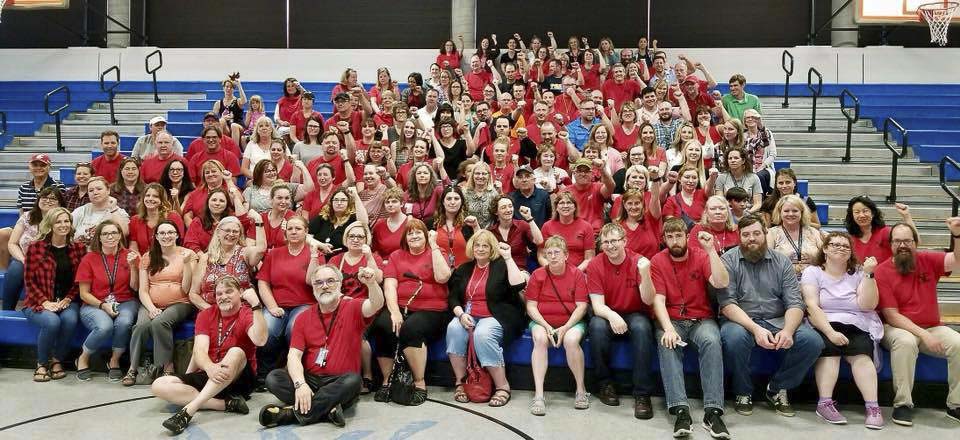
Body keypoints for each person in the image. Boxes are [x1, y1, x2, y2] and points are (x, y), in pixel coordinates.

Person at [718, 214, 825, 417]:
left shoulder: (781, 261)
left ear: (765, 233)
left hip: (777, 319)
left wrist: (788, 330)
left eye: (756, 233)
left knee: (812, 341)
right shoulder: (728, 260)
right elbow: (727, 304)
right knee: (734, 338)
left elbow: (795, 302)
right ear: (739, 236)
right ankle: (742, 391)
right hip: (741, 320)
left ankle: (778, 388)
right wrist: (756, 329)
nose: (751, 238)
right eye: (746, 235)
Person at [260, 263, 383, 428]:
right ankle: (327, 408)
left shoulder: (353, 307)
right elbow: (294, 355)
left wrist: (371, 283)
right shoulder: (303, 318)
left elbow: (376, 304)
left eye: (330, 281)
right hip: (310, 379)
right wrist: (300, 384)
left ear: (339, 284)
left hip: (340, 380)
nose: (324, 286)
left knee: (353, 381)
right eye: (318, 282)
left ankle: (289, 414)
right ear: (313, 288)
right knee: (274, 378)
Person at [152, 276, 267, 435]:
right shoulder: (206, 315)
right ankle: (225, 404)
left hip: (239, 378)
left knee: (236, 351)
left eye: (229, 291)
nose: (223, 297)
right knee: (158, 385)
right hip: (211, 373)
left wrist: (256, 305)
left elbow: (260, 340)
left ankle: (188, 411)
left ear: (240, 292)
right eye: (219, 294)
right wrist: (209, 367)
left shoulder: (247, 313)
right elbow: (199, 351)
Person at [649, 217, 731, 438]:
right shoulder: (657, 261)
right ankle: (680, 410)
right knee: (667, 343)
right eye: (670, 237)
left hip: (701, 319)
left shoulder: (701, 255)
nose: (675, 241)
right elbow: (658, 300)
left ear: (687, 237)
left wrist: (711, 251)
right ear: (664, 239)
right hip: (672, 320)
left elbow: (721, 282)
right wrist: (668, 329)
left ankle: (713, 412)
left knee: (712, 341)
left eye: (679, 236)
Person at [877, 219, 960, 426]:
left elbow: (956, 261)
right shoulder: (882, 271)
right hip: (895, 328)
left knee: (959, 344)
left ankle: (955, 405)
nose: (902, 245)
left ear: (915, 242)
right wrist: (923, 335)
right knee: (905, 342)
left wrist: (957, 236)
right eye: (897, 241)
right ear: (891, 244)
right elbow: (892, 315)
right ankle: (902, 404)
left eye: (907, 241)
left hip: (931, 326)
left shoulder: (927, 259)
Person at [801, 232, 884, 429]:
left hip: (856, 322)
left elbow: (868, 305)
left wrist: (869, 274)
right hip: (824, 322)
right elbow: (812, 306)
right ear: (825, 249)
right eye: (835, 244)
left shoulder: (859, 272)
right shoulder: (813, 272)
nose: (841, 248)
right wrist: (831, 333)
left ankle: (873, 407)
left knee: (861, 355)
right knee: (831, 352)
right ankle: (824, 403)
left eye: (846, 246)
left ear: (851, 252)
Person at [369, 219, 452, 405]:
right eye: (410, 233)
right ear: (405, 238)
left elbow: (443, 277)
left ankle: (419, 382)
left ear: (426, 235)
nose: (414, 236)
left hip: (433, 309)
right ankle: (387, 380)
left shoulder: (437, 252)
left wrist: (434, 246)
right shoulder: (396, 256)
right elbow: (390, 286)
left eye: (418, 233)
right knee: (382, 325)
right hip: (401, 305)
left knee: (412, 327)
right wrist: (394, 311)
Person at [446, 231, 527, 407]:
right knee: (453, 328)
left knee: (482, 334)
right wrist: (461, 314)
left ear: (492, 249)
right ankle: (461, 382)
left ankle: (502, 386)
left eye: (485, 246)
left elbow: (519, 285)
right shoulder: (464, 269)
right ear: (472, 247)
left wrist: (508, 258)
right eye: (477, 245)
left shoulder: (501, 265)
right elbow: (453, 298)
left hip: (497, 315)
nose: (481, 249)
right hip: (468, 315)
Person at [586, 223, 657, 418]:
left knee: (642, 328)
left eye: (614, 241)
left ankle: (642, 394)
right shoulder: (595, 265)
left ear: (624, 241)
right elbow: (597, 306)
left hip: (635, 311)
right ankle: (605, 384)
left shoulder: (639, 262)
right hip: (608, 311)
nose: (610, 246)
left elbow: (649, 300)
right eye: (605, 242)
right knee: (597, 326)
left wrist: (645, 274)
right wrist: (612, 315)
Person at [125, 221, 198, 386]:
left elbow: (187, 289)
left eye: (170, 232)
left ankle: (167, 366)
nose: (167, 236)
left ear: (177, 235)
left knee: (160, 322)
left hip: (180, 302)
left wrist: (187, 264)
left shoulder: (188, 254)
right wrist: (151, 308)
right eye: (162, 233)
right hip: (151, 303)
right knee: (140, 326)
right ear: (156, 237)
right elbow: (143, 290)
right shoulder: (148, 257)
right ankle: (132, 368)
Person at [526, 235, 589, 415]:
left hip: (571, 322)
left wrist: (566, 327)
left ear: (566, 255)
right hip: (542, 321)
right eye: (549, 253)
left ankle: (581, 390)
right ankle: (539, 395)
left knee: (571, 340)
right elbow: (531, 307)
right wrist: (546, 326)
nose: (552, 256)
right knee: (539, 339)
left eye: (557, 252)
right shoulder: (537, 275)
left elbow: (582, 307)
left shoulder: (577, 274)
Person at [22, 208, 86, 382]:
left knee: (70, 319)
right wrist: (44, 302)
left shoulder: (79, 248)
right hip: (37, 300)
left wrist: (68, 298)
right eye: (58, 222)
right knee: (52, 322)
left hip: (68, 300)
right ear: (49, 225)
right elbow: (29, 281)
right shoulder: (35, 248)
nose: (63, 225)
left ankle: (57, 360)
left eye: (66, 221)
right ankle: (42, 363)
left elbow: (79, 281)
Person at [256, 216, 320, 385]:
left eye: (298, 228)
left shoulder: (314, 253)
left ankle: (295, 372)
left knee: (294, 329)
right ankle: (265, 373)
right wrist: (272, 307)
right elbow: (263, 283)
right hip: (277, 304)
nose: (293, 232)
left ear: (306, 232)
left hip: (305, 304)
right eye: (290, 228)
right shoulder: (274, 253)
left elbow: (313, 281)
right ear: (285, 232)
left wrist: (314, 256)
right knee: (268, 329)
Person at [76, 220, 141, 382]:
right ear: (99, 237)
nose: (110, 237)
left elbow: (135, 287)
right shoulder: (89, 258)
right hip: (95, 303)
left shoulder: (130, 256)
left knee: (124, 322)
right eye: (105, 234)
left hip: (125, 301)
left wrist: (133, 267)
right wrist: (103, 305)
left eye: (113, 233)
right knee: (104, 326)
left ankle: (114, 360)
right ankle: (83, 358)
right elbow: (84, 294)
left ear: (120, 235)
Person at [326, 222, 384, 393]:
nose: (356, 239)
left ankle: (367, 375)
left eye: (360, 236)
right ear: (346, 238)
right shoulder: (336, 259)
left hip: (366, 306)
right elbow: (329, 285)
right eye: (352, 236)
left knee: (357, 333)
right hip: (340, 305)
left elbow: (378, 278)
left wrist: (370, 257)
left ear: (366, 240)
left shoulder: (373, 257)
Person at [3, 187, 65, 311]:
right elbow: (12, 243)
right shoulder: (27, 216)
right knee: (15, 269)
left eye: (53, 198)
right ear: (38, 200)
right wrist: (24, 260)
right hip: (25, 257)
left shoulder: (62, 220)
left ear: (59, 203)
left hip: (51, 261)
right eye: (44, 197)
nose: (48, 201)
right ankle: (7, 310)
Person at [190, 213, 266, 310]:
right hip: (212, 310)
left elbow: (261, 249)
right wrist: (211, 311)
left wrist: (258, 221)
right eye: (227, 230)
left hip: (241, 310)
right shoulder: (206, 258)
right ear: (218, 232)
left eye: (235, 231)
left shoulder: (245, 253)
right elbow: (193, 294)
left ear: (239, 235)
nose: (231, 234)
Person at [767, 195, 824, 278]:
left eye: (795, 211)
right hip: (782, 279)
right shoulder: (771, 233)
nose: (790, 214)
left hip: (813, 279)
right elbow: (768, 262)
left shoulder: (813, 232)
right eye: (786, 211)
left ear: (801, 212)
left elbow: (825, 258)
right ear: (780, 212)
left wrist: (814, 260)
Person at [845, 196, 914, 264]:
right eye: (857, 212)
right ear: (852, 216)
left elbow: (913, 243)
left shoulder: (886, 232)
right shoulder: (850, 239)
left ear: (873, 213)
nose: (862, 215)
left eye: (865, 211)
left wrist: (906, 216)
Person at [540, 191, 595, 270]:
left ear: (575, 207)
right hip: (552, 271)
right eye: (561, 203)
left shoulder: (586, 227)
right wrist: (552, 270)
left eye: (569, 202)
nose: (565, 206)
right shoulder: (547, 226)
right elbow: (541, 256)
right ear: (556, 207)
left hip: (579, 271)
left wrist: (575, 273)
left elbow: (589, 258)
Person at [309, 187, 369, 257]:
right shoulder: (323, 217)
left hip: (343, 258)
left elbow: (364, 223)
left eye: (343, 200)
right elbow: (306, 236)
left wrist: (356, 196)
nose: (339, 203)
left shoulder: (353, 219)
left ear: (349, 203)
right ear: (331, 202)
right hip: (319, 257)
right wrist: (321, 245)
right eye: (336, 200)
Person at [72, 177, 130, 248]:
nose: (95, 193)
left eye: (99, 189)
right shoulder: (80, 211)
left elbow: (124, 232)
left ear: (108, 190)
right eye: (91, 190)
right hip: (80, 252)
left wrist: (113, 209)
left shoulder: (118, 212)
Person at [128, 183, 185, 254]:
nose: (150, 199)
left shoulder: (173, 217)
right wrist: (140, 259)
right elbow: (133, 247)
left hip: (169, 257)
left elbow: (179, 244)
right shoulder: (135, 220)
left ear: (162, 200)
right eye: (147, 195)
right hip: (142, 259)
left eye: (155, 196)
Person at [489, 195, 542, 269]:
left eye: (510, 206)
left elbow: (539, 241)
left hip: (520, 269)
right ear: (496, 212)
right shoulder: (491, 232)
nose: (508, 210)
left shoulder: (522, 225)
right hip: (499, 270)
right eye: (503, 207)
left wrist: (529, 218)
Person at [371, 187, 409, 259]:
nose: (390, 204)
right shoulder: (379, 225)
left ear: (402, 204)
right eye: (387, 202)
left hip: (405, 262)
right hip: (384, 263)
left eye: (394, 201)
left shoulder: (410, 223)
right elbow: (375, 251)